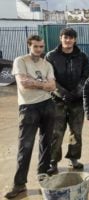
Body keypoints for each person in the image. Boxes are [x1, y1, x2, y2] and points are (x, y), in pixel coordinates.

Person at [5, 35, 56, 199]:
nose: (39, 50)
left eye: (41, 47)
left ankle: (43, 175)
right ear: (29, 46)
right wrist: (43, 85)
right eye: (36, 47)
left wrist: (34, 82)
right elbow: (23, 84)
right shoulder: (20, 61)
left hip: (48, 105)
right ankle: (19, 184)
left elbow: (53, 86)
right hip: (28, 108)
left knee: (46, 143)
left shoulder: (47, 64)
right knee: (25, 146)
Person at [45, 28, 89, 174]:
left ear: (75, 39)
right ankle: (53, 162)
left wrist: (77, 92)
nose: (68, 40)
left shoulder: (82, 56)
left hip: (77, 101)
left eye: (71, 38)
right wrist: (62, 93)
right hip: (57, 101)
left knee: (75, 132)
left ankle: (73, 158)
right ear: (60, 38)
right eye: (65, 37)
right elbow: (49, 78)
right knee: (56, 133)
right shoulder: (51, 56)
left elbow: (85, 77)